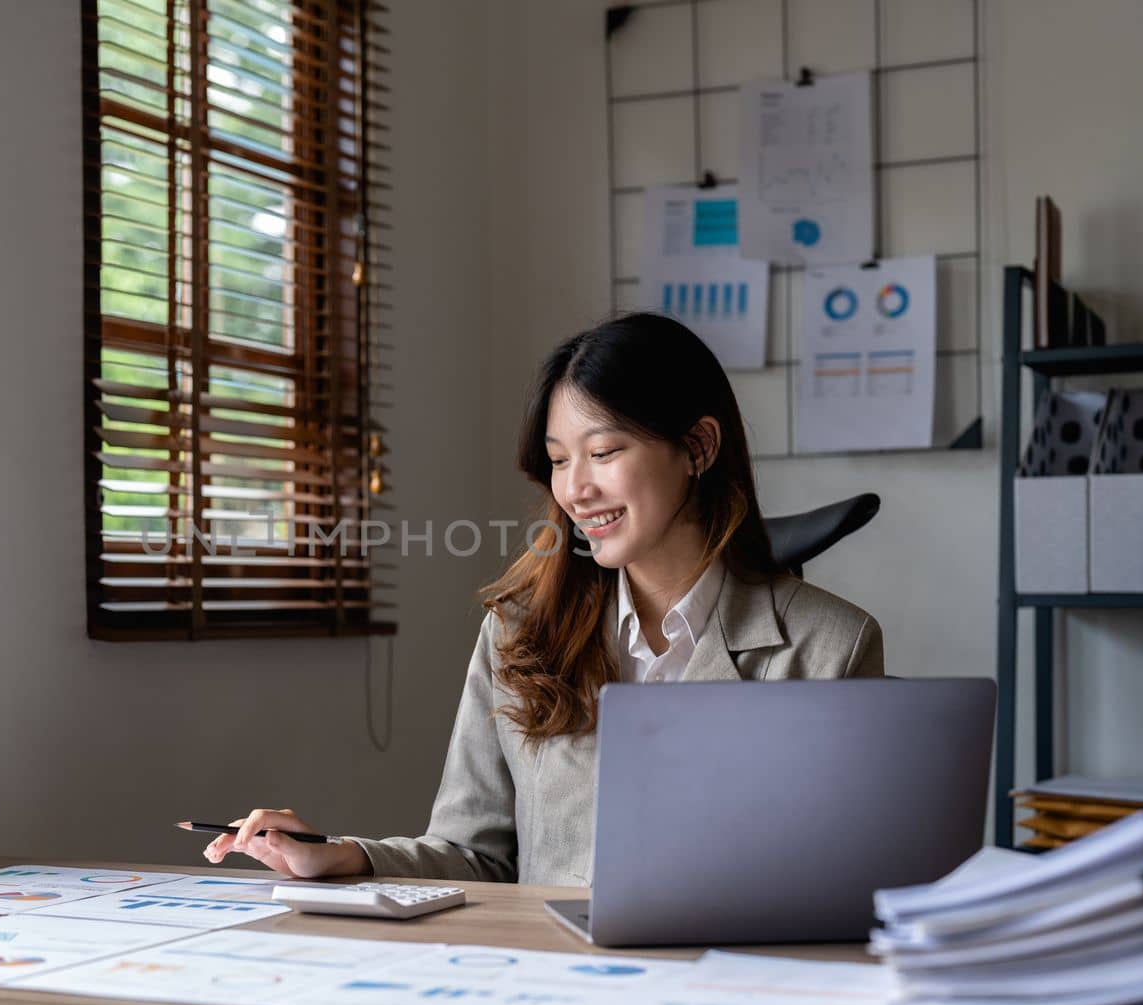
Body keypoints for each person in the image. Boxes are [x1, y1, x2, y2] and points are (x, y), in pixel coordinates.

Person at [203, 313, 884, 886]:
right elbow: (476, 855)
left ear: (698, 447)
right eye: (560, 460)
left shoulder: (832, 645)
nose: (576, 489)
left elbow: (843, 881)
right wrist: (342, 853)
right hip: (549, 989)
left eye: (604, 450)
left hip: (722, 998)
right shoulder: (518, 633)